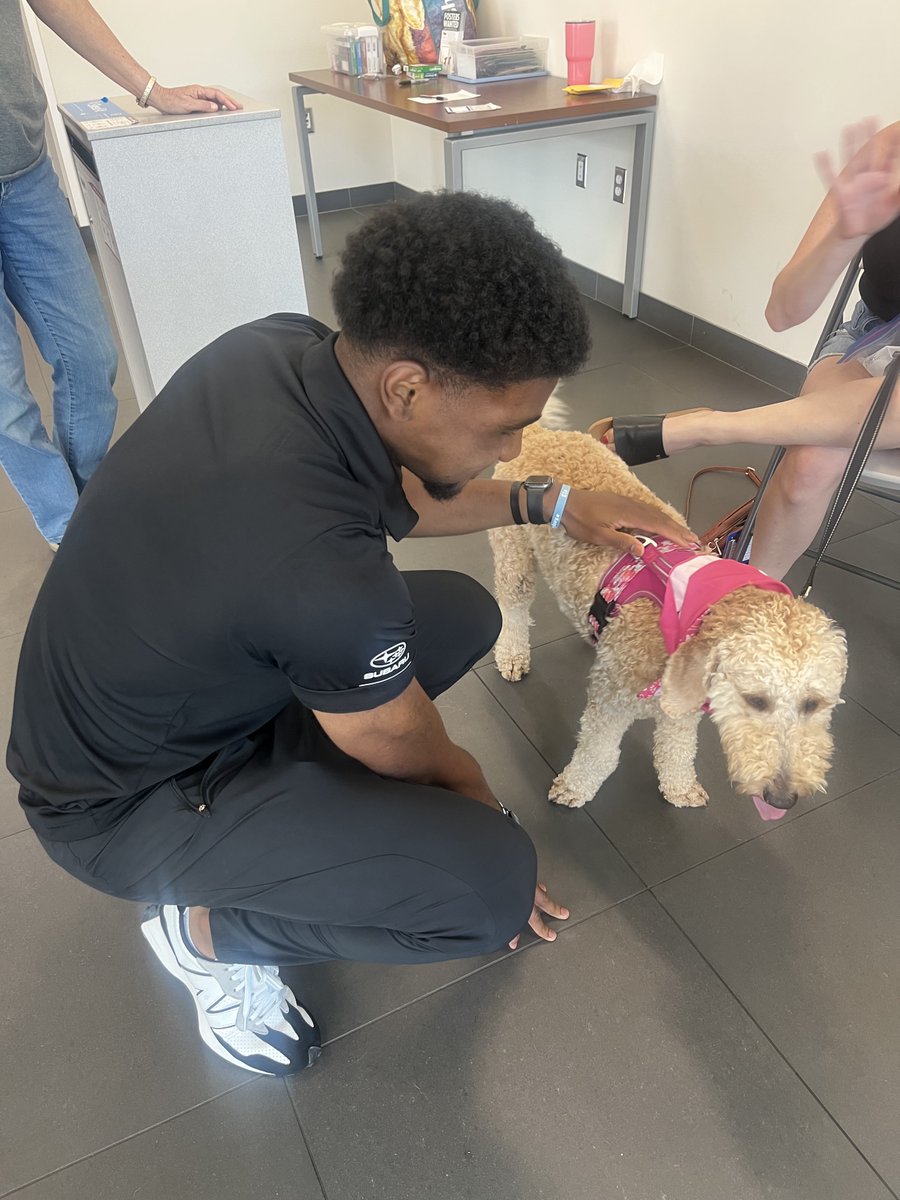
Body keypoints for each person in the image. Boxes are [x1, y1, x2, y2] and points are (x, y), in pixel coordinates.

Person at [8, 192, 695, 1077]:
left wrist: (552, 502)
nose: (510, 450)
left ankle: (296, 815)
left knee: (462, 612)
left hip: (159, 695)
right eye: (505, 429)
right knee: (485, 889)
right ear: (406, 387)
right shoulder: (317, 570)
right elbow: (399, 739)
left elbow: (399, 494)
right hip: (116, 804)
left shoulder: (276, 349)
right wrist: (483, 813)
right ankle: (207, 934)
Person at [588, 120, 900, 580]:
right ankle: (743, 600)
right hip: (873, 339)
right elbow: (783, 311)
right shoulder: (891, 150)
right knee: (809, 464)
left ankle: (712, 427)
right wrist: (844, 236)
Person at [1, 0, 238, 548]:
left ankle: (88, 505)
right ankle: (71, 530)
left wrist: (151, 90)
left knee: (90, 357)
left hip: (25, 172)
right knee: (5, 396)